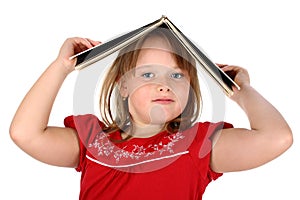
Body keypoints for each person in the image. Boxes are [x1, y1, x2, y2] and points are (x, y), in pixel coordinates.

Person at [10, 28, 293, 200]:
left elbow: (277, 138)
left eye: (177, 76)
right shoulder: (93, 142)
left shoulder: (198, 146)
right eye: (147, 74)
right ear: (123, 86)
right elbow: (25, 133)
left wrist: (241, 91)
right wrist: (61, 66)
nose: (164, 84)